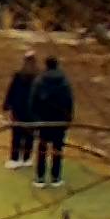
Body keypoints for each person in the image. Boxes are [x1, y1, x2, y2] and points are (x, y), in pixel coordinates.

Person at [30, 56, 74, 188]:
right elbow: (69, 103)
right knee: (57, 149)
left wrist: (35, 119)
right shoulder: (65, 83)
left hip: (43, 121)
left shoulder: (39, 81)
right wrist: (68, 119)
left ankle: (40, 178)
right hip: (59, 122)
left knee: (42, 149)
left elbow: (33, 102)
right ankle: (56, 177)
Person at [1, 51, 39, 169]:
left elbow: (11, 91)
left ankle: (15, 158)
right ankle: (27, 158)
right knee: (30, 135)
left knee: (17, 135)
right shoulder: (39, 76)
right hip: (32, 111)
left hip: (18, 109)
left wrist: (7, 105)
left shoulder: (18, 75)